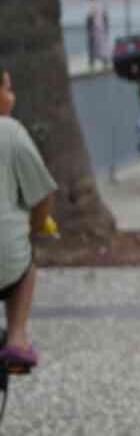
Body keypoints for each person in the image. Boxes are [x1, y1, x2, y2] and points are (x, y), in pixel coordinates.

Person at [0, 68, 57, 369]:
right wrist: (36, 227)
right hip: (5, 263)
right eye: (8, 88)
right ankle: (17, 338)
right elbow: (43, 193)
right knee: (26, 264)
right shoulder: (10, 131)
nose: (13, 96)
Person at [85, 0, 111, 71]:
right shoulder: (100, 5)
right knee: (102, 46)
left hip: (94, 29)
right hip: (101, 29)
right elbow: (105, 17)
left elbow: (90, 18)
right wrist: (106, 27)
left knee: (93, 46)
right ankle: (104, 62)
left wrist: (89, 29)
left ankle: (92, 64)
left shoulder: (91, 5)